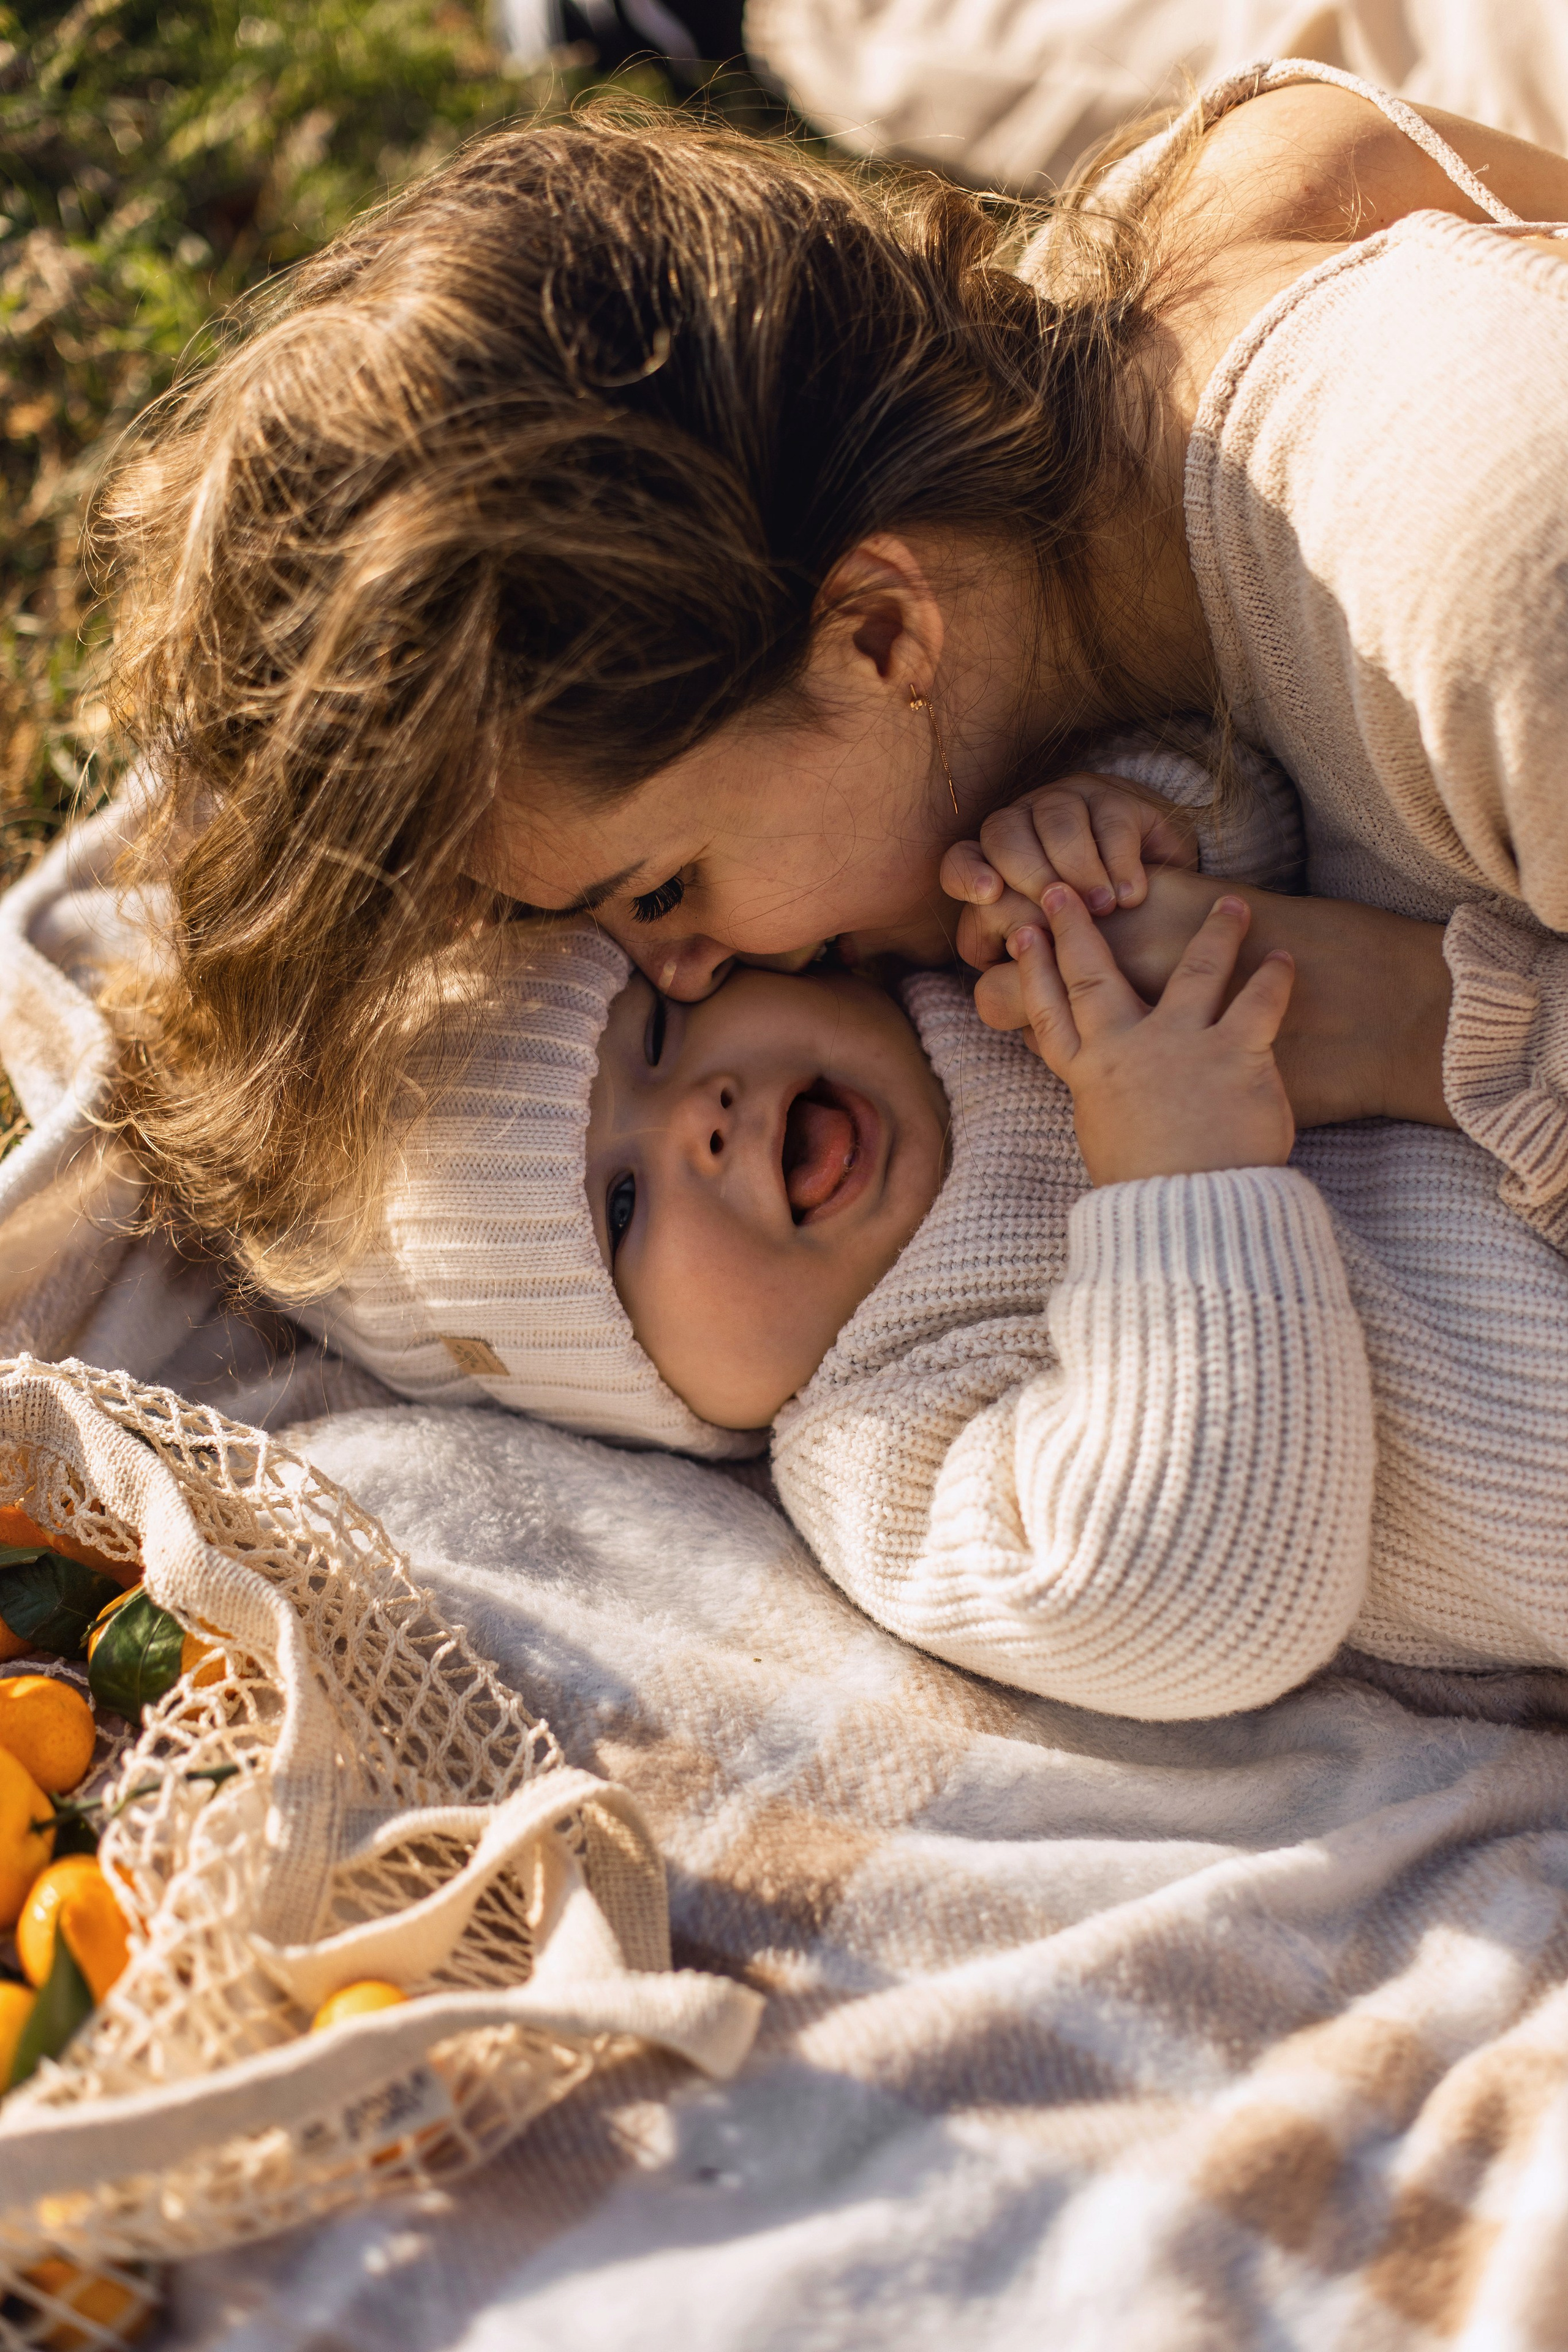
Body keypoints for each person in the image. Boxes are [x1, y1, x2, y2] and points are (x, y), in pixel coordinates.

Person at [99, 62, 1568, 1299]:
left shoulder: (1486, 588)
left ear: (877, 636)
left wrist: (1400, 1021)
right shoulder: (1110, 340)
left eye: (661, 890)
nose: (673, 976)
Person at [300, 876, 1568, 1720]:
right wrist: (1181, 1178)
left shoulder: (973, 969)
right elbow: (1172, 1593)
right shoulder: (881, 1432)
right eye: (620, 1209)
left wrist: (1101, 832)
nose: (701, 1116)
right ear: (665, 1400)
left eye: (656, 1038)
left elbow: (1241, 804)